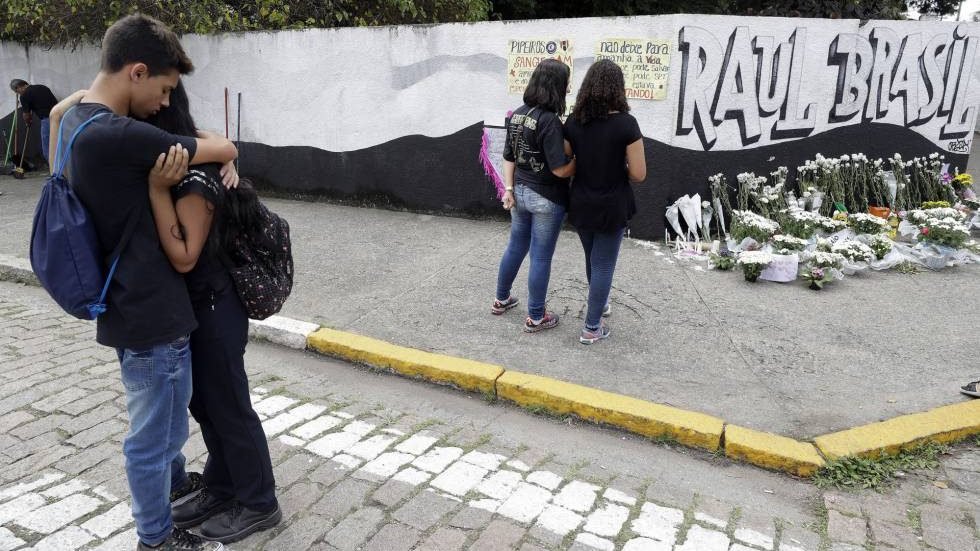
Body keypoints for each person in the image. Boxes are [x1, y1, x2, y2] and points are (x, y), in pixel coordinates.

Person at [46, 14, 239, 551]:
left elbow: (63, 108)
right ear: (136, 72)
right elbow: (220, 148)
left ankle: (174, 488)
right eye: (164, 87)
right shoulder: (123, 136)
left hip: (126, 307)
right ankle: (156, 538)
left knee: (161, 419)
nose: (164, 100)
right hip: (152, 311)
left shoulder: (78, 121)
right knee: (156, 436)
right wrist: (231, 153)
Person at [145, 82, 281, 544]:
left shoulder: (190, 170)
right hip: (197, 305)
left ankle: (260, 501)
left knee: (229, 405)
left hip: (216, 304)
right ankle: (223, 486)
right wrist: (227, 151)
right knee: (206, 404)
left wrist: (159, 189)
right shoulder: (188, 150)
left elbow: (185, 256)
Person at [564, 59, 646, 345]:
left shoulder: (573, 122)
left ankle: (601, 305)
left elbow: (567, 160)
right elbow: (638, 173)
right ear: (618, 88)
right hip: (612, 204)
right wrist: (615, 166)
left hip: (582, 202)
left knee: (592, 259)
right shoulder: (626, 124)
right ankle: (591, 327)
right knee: (603, 265)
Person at [493, 59, 575, 332]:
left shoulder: (517, 114)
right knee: (540, 257)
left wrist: (508, 189)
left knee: (515, 246)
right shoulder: (549, 121)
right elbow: (560, 170)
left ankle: (501, 299)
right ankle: (537, 316)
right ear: (557, 87)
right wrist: (579, 161)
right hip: (547, 198)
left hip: (519, 192)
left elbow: (507, 157)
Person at [10, 78, 58, 163]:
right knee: (60, 143)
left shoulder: (24, 96)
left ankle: (53, 169)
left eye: (16, 91)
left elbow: (26, 115)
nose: (18, 93)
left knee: (47, 147)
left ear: (18, 87)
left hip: (47, 120)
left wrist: (28, 122)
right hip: (60, 116)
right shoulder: (42, 87)